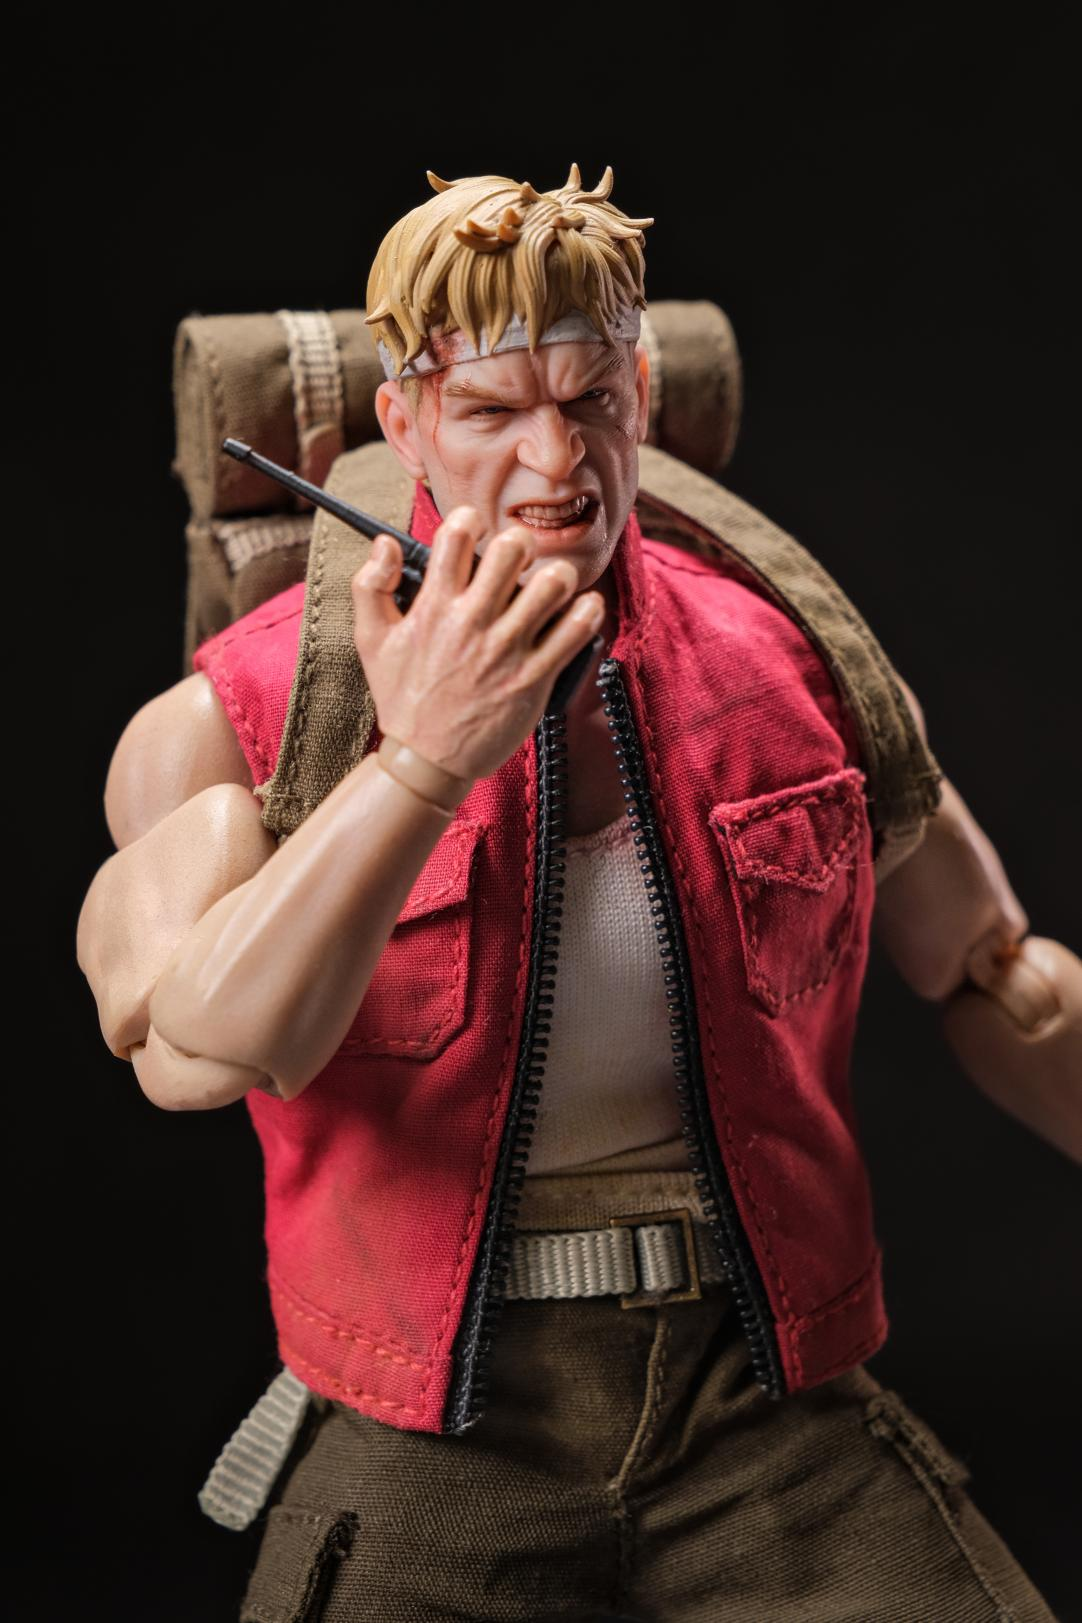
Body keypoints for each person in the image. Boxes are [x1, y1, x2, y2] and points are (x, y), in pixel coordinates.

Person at [77, 165, 1078, 1621]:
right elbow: (199, 1051)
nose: (557, 458)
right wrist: (418, 764)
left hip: (761, 1397)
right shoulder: (241, 722)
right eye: (492, 411)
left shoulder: (795, 671)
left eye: (590, 397)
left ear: (641, 391)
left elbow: (993, 967)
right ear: (405, 422)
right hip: (440, 1417)